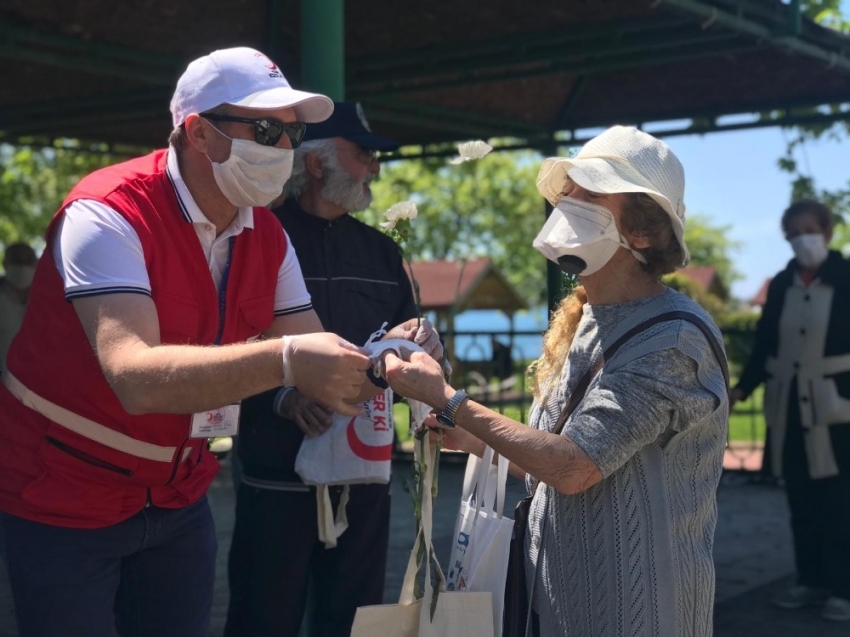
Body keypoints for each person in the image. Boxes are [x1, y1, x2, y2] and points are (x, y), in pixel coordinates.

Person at [0, 47, 378, 637]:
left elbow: (315, 352)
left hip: (180, 496)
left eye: (293, 132)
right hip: (64, 495)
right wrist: (286, 360)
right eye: (266, 129)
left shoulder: (268, 234)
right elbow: (136, 377)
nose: (285, 149)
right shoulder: (105, 213)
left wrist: (385, 358)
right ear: (198, 134)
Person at [383, 126, 729, 636]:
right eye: (570, 191)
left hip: (638, 613)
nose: (570, 202)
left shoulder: (672, 340)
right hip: (562, 603)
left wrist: (447, 399)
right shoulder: (586, 319)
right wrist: (477, 440)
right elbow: (558, 459)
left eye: (591, 193)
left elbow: (573, 468)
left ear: (644, 231)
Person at [225, 102, 439, 637]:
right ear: (316, 163)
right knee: (261, 618)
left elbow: (408, 346)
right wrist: (281, 397)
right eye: (363, 153)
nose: (375, 167)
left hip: (363, 473)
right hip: (277, 471)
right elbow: (221, 345)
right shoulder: (254, 238)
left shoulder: (384, 252)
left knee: (354, 622)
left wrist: (427, 347)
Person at [730, 199, 850, 622]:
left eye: (809, 229)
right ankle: (810, 580)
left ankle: (843, 587)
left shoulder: (846, 277)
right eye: (794, 232)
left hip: (839, 412)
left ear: (827, 231)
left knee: (841, 502)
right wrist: (741, 390)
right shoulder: (781, 283)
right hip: (790, 409)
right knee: (800, 498)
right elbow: (766, 344)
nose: (803, 238)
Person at [0, 242, 37, 370]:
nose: (22, 265)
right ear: (5, 264)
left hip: (42, 381)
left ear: (36, 264)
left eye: (28, 260)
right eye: (16, 260)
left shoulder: (52, 297)